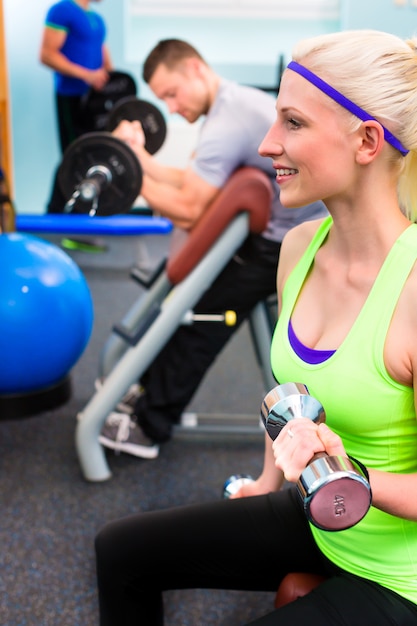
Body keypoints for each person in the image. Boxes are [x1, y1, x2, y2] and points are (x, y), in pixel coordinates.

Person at [94, 29, 417, 625]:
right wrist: (269, 483)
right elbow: (291, 403)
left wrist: (355, 477)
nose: (268, 144)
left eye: (292, 122)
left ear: (367, 140)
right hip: (321, 518)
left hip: (402, 575)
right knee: (121, 550)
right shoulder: (297, 248)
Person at [98, 38, 327, 460]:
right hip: (278, 233)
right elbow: (189, 179)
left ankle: (149, 426)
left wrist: (128, 176)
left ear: (195, 69)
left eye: (171, 93)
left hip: (295, 242)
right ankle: (146, 388)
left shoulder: (228, 120)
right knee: (192, 305)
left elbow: (186, 208)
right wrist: (133, 159)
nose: (169, 107)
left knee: (204, 316)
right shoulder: (230, 105)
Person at [40, 0, 112, 251]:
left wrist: (112, 80)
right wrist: (86, 74)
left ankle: (78, 225)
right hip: (71, 96)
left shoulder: (96, 18)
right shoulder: (62, 10)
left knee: (93, 158)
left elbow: (103, 57)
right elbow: (47, 54)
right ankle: (60, 223)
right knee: (74, 157)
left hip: (95, 100)